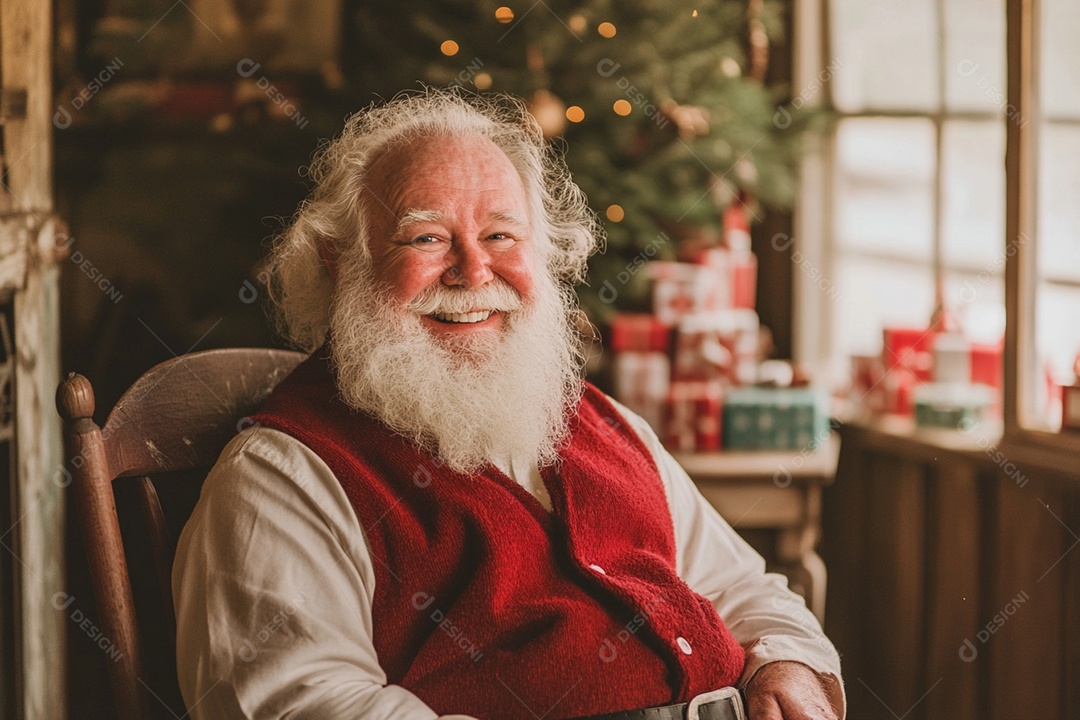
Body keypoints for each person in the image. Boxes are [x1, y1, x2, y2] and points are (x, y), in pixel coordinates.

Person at [173, 89, 844, 720]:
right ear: (337, 260)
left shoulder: (605, 424)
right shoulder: (282, 475)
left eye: (500, 236)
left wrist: (785, 668)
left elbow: (745, 591)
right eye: (426, 238)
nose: (473, 271)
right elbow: (306, 702)